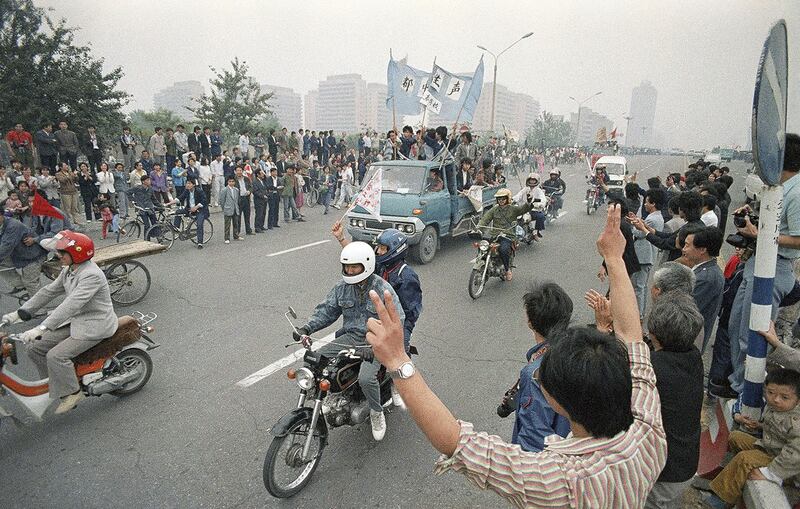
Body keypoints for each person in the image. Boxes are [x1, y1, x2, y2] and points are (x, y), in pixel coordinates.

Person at [363, 204, 667, 508]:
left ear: (560, 403)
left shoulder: (556, 481)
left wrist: (397, 360)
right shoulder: (647, 433)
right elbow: (631, 337)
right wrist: (614, 257)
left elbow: (456, 442)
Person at [296, 242, 405, 441]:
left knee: (365, 378)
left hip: (376, 341)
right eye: (347, 267)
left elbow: (399, 319)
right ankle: (326, 397)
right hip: (351, 337)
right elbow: (327, 310)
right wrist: (307, 328)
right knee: (314, 360)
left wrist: (376, 348)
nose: (349, 270)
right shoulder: (342, 287)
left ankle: (376, 411)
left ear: (367, 265)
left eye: (354, 267)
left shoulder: (382, 288)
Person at [3, 231, 117, 415]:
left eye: (62, 253)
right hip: (78, 321)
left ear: (77, 254)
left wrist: (42, 327)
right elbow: (48, 291)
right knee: (35, 347)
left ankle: (72, 392)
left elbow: (70, 306)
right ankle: (56, 384)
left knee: (56, 356)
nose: (58, 255)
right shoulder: (70, 269)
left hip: (94, 325)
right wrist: (20, 312)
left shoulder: (91, 275)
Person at [728, 133, 800, 395]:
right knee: (738, 326)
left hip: (775, 267)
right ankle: (738, 384)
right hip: (759, 264)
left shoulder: (797, 191)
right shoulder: (780, 188)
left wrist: (761, 235)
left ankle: (748, 395)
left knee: (753, 337)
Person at [704, 368, 800, 508]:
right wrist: (760, 426)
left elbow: (795, 454)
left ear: (798, 400)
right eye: (770, 393)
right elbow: (780, 431)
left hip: (787, 466)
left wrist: (771, 473)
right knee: (736, 437)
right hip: (770, 448)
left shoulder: (796, 420)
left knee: (745, 459)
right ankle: (736, 480)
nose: (776, 399)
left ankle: (722, 499)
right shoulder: (779, 407)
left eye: (784, 397)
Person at [644, 292, 704, 509]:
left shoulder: (653, 369)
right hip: (684, 463)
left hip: (664, 474)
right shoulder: (692, 355)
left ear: (653, 334)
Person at [509, 282, 573, 452]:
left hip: (548, 464)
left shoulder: (536, 374)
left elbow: (534, 439)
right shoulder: (577, 349)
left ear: (530, 322)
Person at [681, 226, 725, 353]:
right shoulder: (705, 271)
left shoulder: (706, 278)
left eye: (687, 245)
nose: (684, 250)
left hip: (689, 341)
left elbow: (687, 310)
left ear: (702, 250)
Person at [477, 188, 533, 281]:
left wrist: (529, 203)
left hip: (507, 235)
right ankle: (482, 263)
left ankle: (507, 270)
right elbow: (485, 219)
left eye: (503, 199)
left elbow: (523, 209)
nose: (501, 201)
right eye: (499, 199)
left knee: (503, 250)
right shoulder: (494, 209)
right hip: (495, 234)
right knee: (482, 246)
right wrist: (478, 228)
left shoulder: (513, 209)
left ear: (507, 199)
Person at [630, 189, 665, 318]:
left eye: (647, 202)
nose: (645, 205)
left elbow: (639, 233)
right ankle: (640, 312)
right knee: (641, 286)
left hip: (643, 256)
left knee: (639, 287)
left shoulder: (652, 219)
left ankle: (638, 313)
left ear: (653, 203)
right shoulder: (656, 217)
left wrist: (633, 225)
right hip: (646, 255)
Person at [0, 208, 47, 297]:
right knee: (1, 265)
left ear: (1, 215)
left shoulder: (13, 225)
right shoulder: (2, 224)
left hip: (33, 256)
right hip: (18, 255)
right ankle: (19, 285)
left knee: (30, 282)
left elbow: (5, 248)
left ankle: (39, 308)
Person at [513, 173, 547, 239]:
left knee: (540, 216)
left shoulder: (539, 190)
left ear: (537, 181)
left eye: (534, 180)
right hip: (523, 208)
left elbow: (543, 200)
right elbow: (518, 196)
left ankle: (536, 231)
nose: (532, 181)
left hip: (533, 209)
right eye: (531, 180)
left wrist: (539, 204)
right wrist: (512, 200)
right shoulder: (525, 189)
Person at [125, 175, 158, 241]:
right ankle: (146, 239)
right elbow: (127, 192)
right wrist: (133, 200)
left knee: (155, 224)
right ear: (143, 182)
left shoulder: (150, 189)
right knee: (147, 225)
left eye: (149, 180)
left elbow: (154, 199)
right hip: (141, 208)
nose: (149, 181)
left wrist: (161, 205)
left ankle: (159, 237)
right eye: (147, 180)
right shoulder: (137, 188)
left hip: (150, 208)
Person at [177, 179, 208, 249]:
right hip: (189, 209)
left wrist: (196, 207)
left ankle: (200, 243)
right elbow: (180, 198)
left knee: (199, 225)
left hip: (200, 210)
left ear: (194, 185)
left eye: (189, 183)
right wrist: (169, 203)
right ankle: (176, 228)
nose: (187, 185)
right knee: (177, 212)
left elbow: (204, 201)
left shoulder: (199, 191)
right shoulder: (186, 191)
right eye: (187, 183)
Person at [218, 176, 241, 243]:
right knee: (227, 225)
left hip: (235, 208)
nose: (231, 183)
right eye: (230, 181)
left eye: (232, 181)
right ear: (227, 182)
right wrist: (224, 208)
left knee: (236, 223)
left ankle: (236, 235)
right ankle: (227, 238)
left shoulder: (236, 190)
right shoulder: (224, 190)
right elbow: (222, 200)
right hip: (228, 209)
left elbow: (237, 200)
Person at [252, 168, 268, 233]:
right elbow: (255, 191)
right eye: (261, 173)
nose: (263, 175)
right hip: (258, 200)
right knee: (259, 213)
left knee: (263, 213)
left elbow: (266, 188)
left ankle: (261, 225)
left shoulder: (263, 181)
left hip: (264, 199)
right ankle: (257, 227)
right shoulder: (255, 182)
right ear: (257, 174)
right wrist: (262, 195)